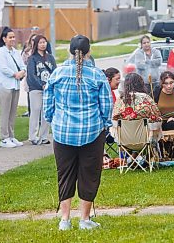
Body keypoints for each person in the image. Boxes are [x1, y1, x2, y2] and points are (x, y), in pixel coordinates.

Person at [43, 35, 112, 230]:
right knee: (89, 175)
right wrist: (104, 125)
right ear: (89, 52)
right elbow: (106, 106)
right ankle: (84, 219)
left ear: (69, 51)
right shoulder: (97, 75)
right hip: (92, 132)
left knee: (64, 174)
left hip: (63, 132)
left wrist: (53, 120)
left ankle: (64, 220)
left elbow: (48, 104)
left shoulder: (57, 73)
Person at [0, 27, 26, 148]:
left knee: (12, 112)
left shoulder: (15, 51)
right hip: (5, 86)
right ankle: (4, 138)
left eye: (13, 37)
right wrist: (15, 74)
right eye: (10, 37)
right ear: (4, 39)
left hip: (15, 86)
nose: (13, 39)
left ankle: (11, 136)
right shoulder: (1, 52)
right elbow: (3, 68)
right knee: (5, 112)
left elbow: (23, 65)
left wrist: (22, 72)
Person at [26, 35, 57, 145]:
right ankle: (33, 136)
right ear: (36, 45)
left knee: (46, 112)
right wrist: (41, 84)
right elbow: (31, 74)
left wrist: (51, 85)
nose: (43, 44)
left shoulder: (50, 58)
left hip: (49, 89)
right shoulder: (32, 58)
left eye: (44, 42)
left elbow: (55, 72)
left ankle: (44, 136)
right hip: (36, 89)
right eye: (40, 42)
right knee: (35, 110)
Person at [113, 72, 161, 138]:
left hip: (124, 139)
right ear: (140, 84)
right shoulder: (145, 98)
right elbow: (157, 116)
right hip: (145, 138)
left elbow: (114, 118)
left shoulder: (120, 100)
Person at [21, 33, 37, 117]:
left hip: (39, 77)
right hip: (29, 76)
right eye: (32, 40)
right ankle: (30, 112)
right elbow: (22, 63)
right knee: (29, 94)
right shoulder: (26, 52)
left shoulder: (42, 51)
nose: (34, 42)